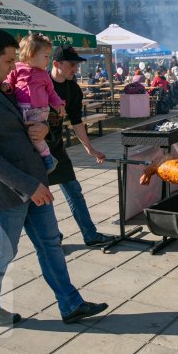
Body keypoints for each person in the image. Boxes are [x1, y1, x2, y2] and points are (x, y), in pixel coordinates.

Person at [0, 27, 108, 326]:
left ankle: (70, 303)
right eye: (9, 61)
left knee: (50, 244)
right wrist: (28, 185)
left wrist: (45, 128)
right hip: (6, 190)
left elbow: (31, 116)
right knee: (2, 252)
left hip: (35, 180)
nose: (14, 66)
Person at [47, 45, 116, 246]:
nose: (75, 69)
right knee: (44, 197)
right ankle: (51, 237)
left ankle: (90, 235)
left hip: (56, 147)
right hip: (34, 150)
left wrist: (89, 148)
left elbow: (77, 121)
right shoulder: (39, 83)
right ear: (56, 64)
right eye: (71, 65)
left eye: (76, 65)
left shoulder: (73, 89)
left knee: (73, 190)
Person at [5, 33, 66, 173]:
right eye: (45, 56)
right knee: (25, 134)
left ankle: (47, 157)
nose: (48, 60)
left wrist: (58, 105)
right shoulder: (16, 68)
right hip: (21, 109)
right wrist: (6, 86)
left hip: (39, 110)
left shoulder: (44, 74)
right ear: (31, 54)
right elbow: (9, 82)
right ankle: (40, 157)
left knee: (35, 135)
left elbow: (51, 93)